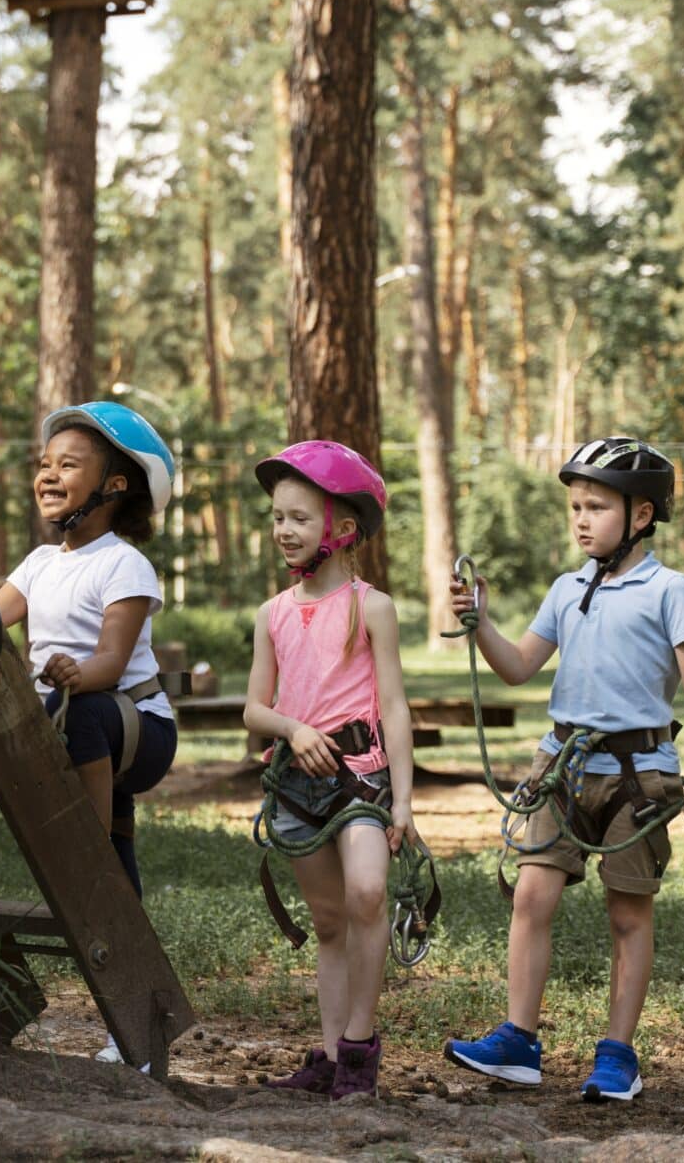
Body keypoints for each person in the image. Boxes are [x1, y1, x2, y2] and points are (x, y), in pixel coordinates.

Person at [443, 437, 684, 1103]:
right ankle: (518, 1040)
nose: (581, 518)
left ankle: (617, 1056)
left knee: (628, 914)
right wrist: (479, 624)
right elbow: (516, 666)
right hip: (561, 767)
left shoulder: (669, 589)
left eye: (596, 505)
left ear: (643, 515)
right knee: (531, 898)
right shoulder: (566, 590)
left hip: (639, 774)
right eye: (575, 505)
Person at [0, 401, 180, 1067]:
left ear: (115, 485)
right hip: (73, 727)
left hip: (133, 724)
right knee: (120, 889)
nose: (48, 475)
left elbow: (109, 660)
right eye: (45, 464)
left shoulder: (122, 564)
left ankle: (87, 846)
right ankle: (138, 1031)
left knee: (80, 714)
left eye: (68, 465)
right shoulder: (40, 562)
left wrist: (78, 672)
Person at [239, 441, 416, 1101]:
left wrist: (403, 799)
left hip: (361, 778)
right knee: (329, 921)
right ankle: (329, 1052)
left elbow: (394, 706)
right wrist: (293, 728)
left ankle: (359, 1050)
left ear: (341, 529)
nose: (283, 530)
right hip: (297, 783)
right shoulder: (272, 615)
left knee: (368, 891)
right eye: (277, 518)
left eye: (298, 518)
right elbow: (256, 710)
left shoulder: (373, 607)